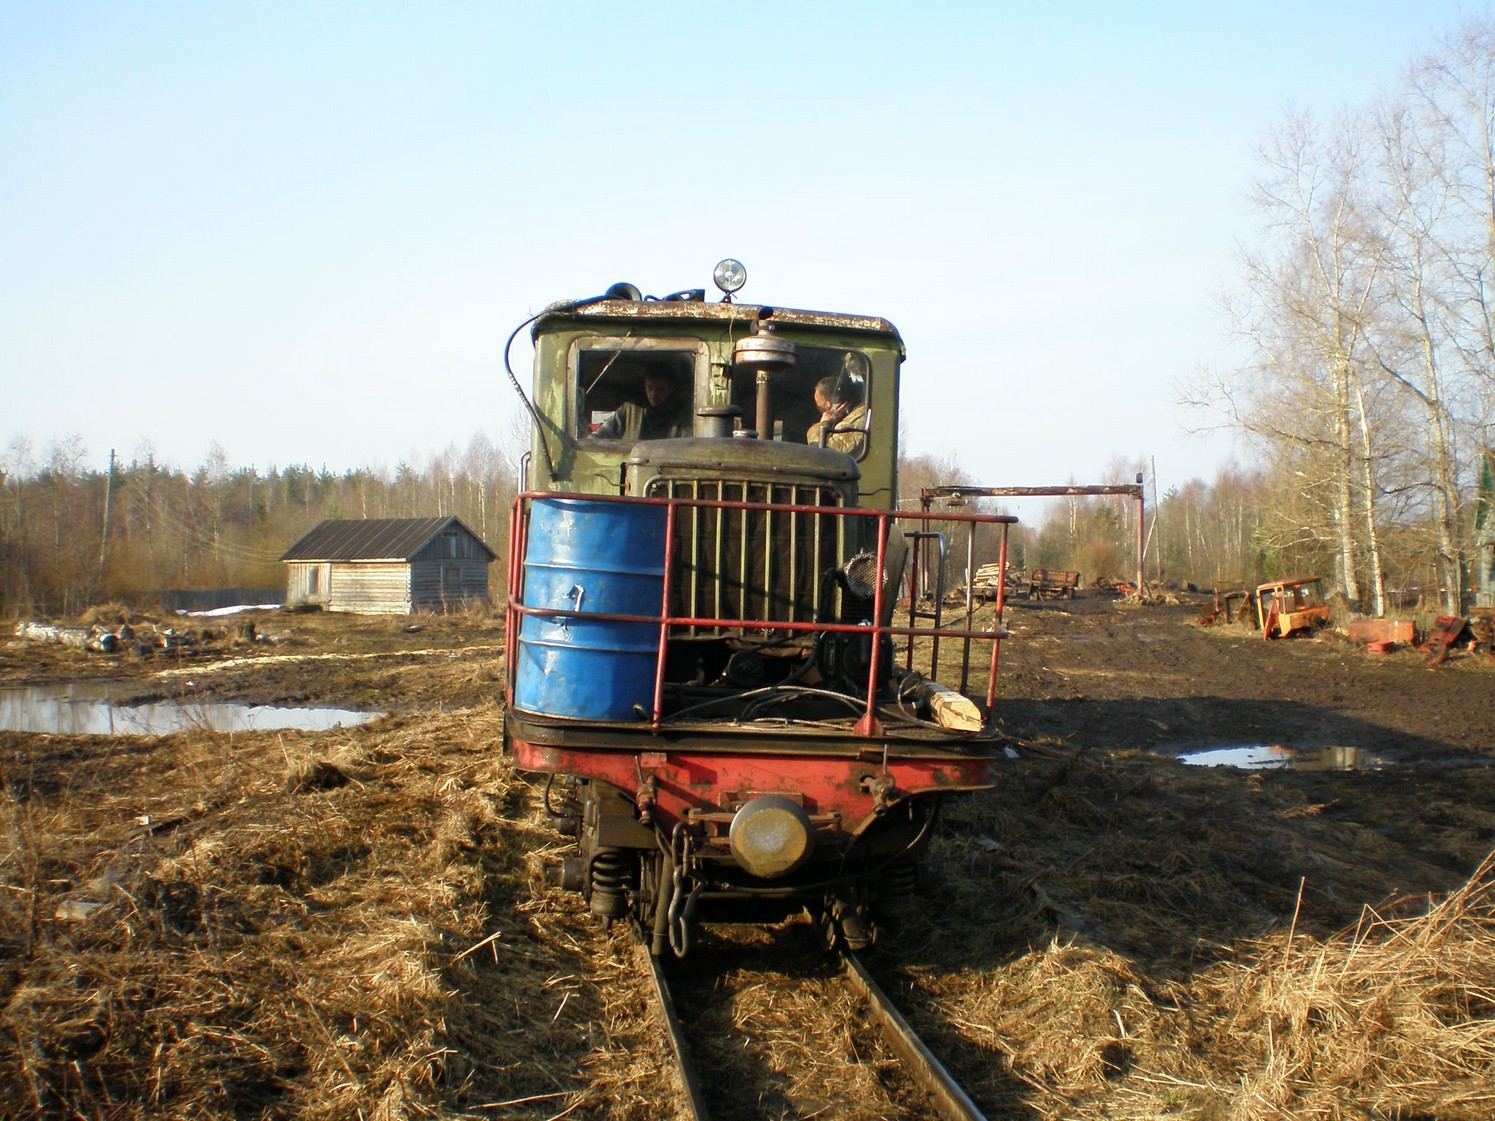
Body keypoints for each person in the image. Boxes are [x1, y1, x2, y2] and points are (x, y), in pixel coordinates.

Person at [592, 366, 691, 441]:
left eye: (660, 389)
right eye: (650, 388)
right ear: (645, 385)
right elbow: (600, 436)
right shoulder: (630, 410)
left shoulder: (680, 417)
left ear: (670, 389)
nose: (653, 394)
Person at [806, 374, 868, 455]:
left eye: (818, 404)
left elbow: (823, 452)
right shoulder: (852, 415)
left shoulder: (856, 420)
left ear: (827, 405)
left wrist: (823, 423)